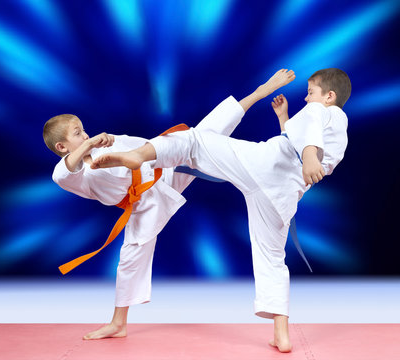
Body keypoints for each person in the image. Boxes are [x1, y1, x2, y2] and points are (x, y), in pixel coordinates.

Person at [90, 68, 351, 352]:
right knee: (272, 259)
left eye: (311, 92)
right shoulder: (338, 133)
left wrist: (311, 154)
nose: (306, 97)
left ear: (330, 96)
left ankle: (139, 155)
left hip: (264, 164)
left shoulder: (327, 113)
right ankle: (281, 334)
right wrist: (284, 119)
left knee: (194, 140)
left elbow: (311, 127)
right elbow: (298, 143)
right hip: (283, 195)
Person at [42, 69, 296, 341]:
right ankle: (118, 323)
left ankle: (260, 91)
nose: (85, 135)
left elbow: (139, 143)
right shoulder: (67, 174)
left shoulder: (99, 148)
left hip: (165, 168)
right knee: (129, 259)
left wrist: (111, 141)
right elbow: (67, 169)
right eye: (77, 133)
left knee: (204, 133)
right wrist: (92, 143)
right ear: (61, 146)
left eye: (83, 130)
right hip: (143, 203)